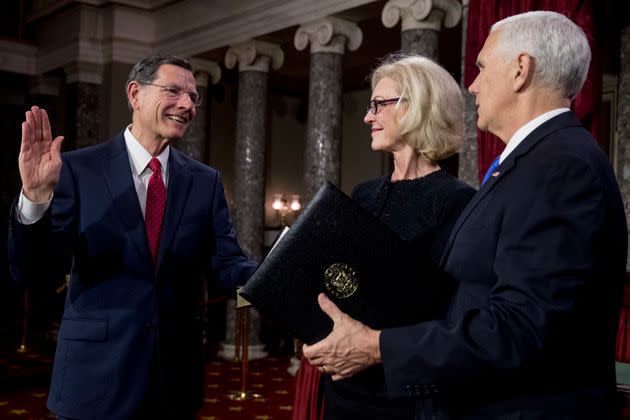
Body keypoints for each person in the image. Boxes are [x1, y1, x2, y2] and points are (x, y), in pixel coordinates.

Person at [304, 10, 628, 420]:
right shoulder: (539, 161)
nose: (472, 85)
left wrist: (374, 346)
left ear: (520, 70)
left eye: (480, 67)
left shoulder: (561, 167)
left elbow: (520, 328)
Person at [8, 55, 257, 419]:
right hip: (94, 382)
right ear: (135, 93)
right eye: (173, 91)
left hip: (174, 384)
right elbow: (33, 273)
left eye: (193, 96)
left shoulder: (205, 182)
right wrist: (35, 197)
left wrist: (282, 271)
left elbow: (227, 265)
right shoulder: (78, 169)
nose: (187, 104)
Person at [293, 55, 476, 420]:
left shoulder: (458, 200)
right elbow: (342, 281)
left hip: (399, 392)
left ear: (418, 106)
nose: (367, 116)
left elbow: (444, 311)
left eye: (379, 104)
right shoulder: (364, 193)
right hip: (343, 383)